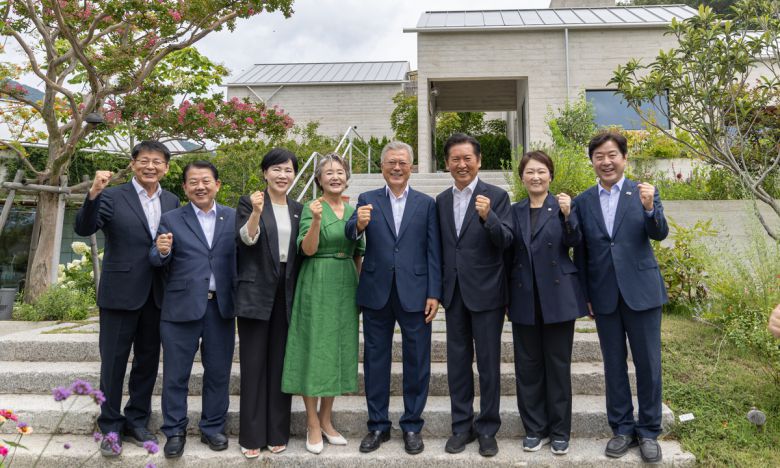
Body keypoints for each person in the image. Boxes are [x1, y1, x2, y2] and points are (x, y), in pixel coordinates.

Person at [74, 140, 179, 457]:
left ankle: (137, 420)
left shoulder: (173, 200)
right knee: (114, 364)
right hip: (120, 295)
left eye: (157, 162)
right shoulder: (112, 195)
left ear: (166, 168)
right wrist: (93, 193)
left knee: (147, 363)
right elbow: (83, 227)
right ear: (133, 163)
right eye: (145, 160)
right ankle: (109, 425)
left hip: (156, 295)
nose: (151, 166)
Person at [574, 131, 669, 464]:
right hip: (604, 296)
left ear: (624, 158)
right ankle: (622, 429)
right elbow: (582, 253)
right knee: (613, 366)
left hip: (643, 294)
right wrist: (586, 294)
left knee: (648, 365)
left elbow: (659, 232)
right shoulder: (583, 201)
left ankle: (649, 431)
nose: (606, 161)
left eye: (612, 154)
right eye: (599, 156)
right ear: (592, 162)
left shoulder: (643, 192)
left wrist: (648, 208)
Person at [345, 141, 442, 455]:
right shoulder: (367, 199)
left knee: (417, 361)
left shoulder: (426, 203)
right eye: (391, 163)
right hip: (376, 292)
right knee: (375, 362)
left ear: (411, 166)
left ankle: (412, 425)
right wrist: (356, 225)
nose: (397, 168)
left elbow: (433, 252)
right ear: (382, 167)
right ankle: (377, 426)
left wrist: (434, 293)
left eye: (402, 162)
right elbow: (351, 234)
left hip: (415, 293)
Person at [150, 161, 237, 459]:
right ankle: (174, 431)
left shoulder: (233, 218)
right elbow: (157, 255)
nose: (200, 186)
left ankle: (212, 427)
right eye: (193, 182)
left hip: (221, 308)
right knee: (176, 374)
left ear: (217, 184)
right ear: (185, 187)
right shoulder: (172, 219)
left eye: (206, 181)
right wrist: (161, 251)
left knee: (218, 374)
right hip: (180, 308)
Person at [435, 133, 512, 457]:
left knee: (489, 366)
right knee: (457, 364)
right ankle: (461, 426)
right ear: (447, 163)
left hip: (487, 294)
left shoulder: (497, 196)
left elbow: (508, 240)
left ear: (478, 161)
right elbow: (440, 247)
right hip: (454, 294)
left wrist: (489, 218)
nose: (462, 164)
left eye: (467, 158)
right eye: (455, 158)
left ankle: (488, 428)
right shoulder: (439, 200)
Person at [282, 153, 365, 454]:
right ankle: (312, 423)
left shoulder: (354, 210)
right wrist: (316, 221)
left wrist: (358, 290)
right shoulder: (310, 208)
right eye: (328, 172)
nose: (335, 176)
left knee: (338, 349)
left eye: (340, 171)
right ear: (318, 179)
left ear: (346, 177)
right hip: (316, 279)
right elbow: (307, 248)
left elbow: (358, 252)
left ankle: (328, 420)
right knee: (313, 347)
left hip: (345, 284)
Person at [507, 151, 587, 456]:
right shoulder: (515, 211)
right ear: (522, 177)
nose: (536, 177)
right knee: (527, 367)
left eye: (541, 171)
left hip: (558, 298)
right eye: (529, 172)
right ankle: (534, 429)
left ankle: (559, 431)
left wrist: (570, 216)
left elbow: (575, 243)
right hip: (524, 296)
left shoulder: (563, 206)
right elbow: (507, 255)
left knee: (557, 366)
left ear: (550, 176)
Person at [234, 149, 302, 458]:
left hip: (287, 291)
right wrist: (256, 213)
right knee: (253, 364)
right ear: (265, 173)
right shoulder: (250, 202)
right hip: (256, 291)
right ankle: (251, 436)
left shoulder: (298, 208)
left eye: (288, 170)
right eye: (276, 169)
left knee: (279, 364)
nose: (282, 175)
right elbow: (247, 240)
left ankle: (277, 431)